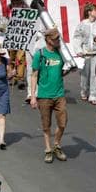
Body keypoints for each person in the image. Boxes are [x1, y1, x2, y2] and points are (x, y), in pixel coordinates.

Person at [29, 27, 70, 162]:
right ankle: (48, 149)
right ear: (48, 40)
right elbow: (34, 75)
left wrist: (70, 69)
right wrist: (33, 96)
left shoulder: (61, 54)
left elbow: (61, 72)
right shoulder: (39, 54)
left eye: (58, 38)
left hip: (59, 94)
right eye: (56, 39)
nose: (58, 41)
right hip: (44, 95)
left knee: (63, 123)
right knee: (46, 125)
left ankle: (56, 144)